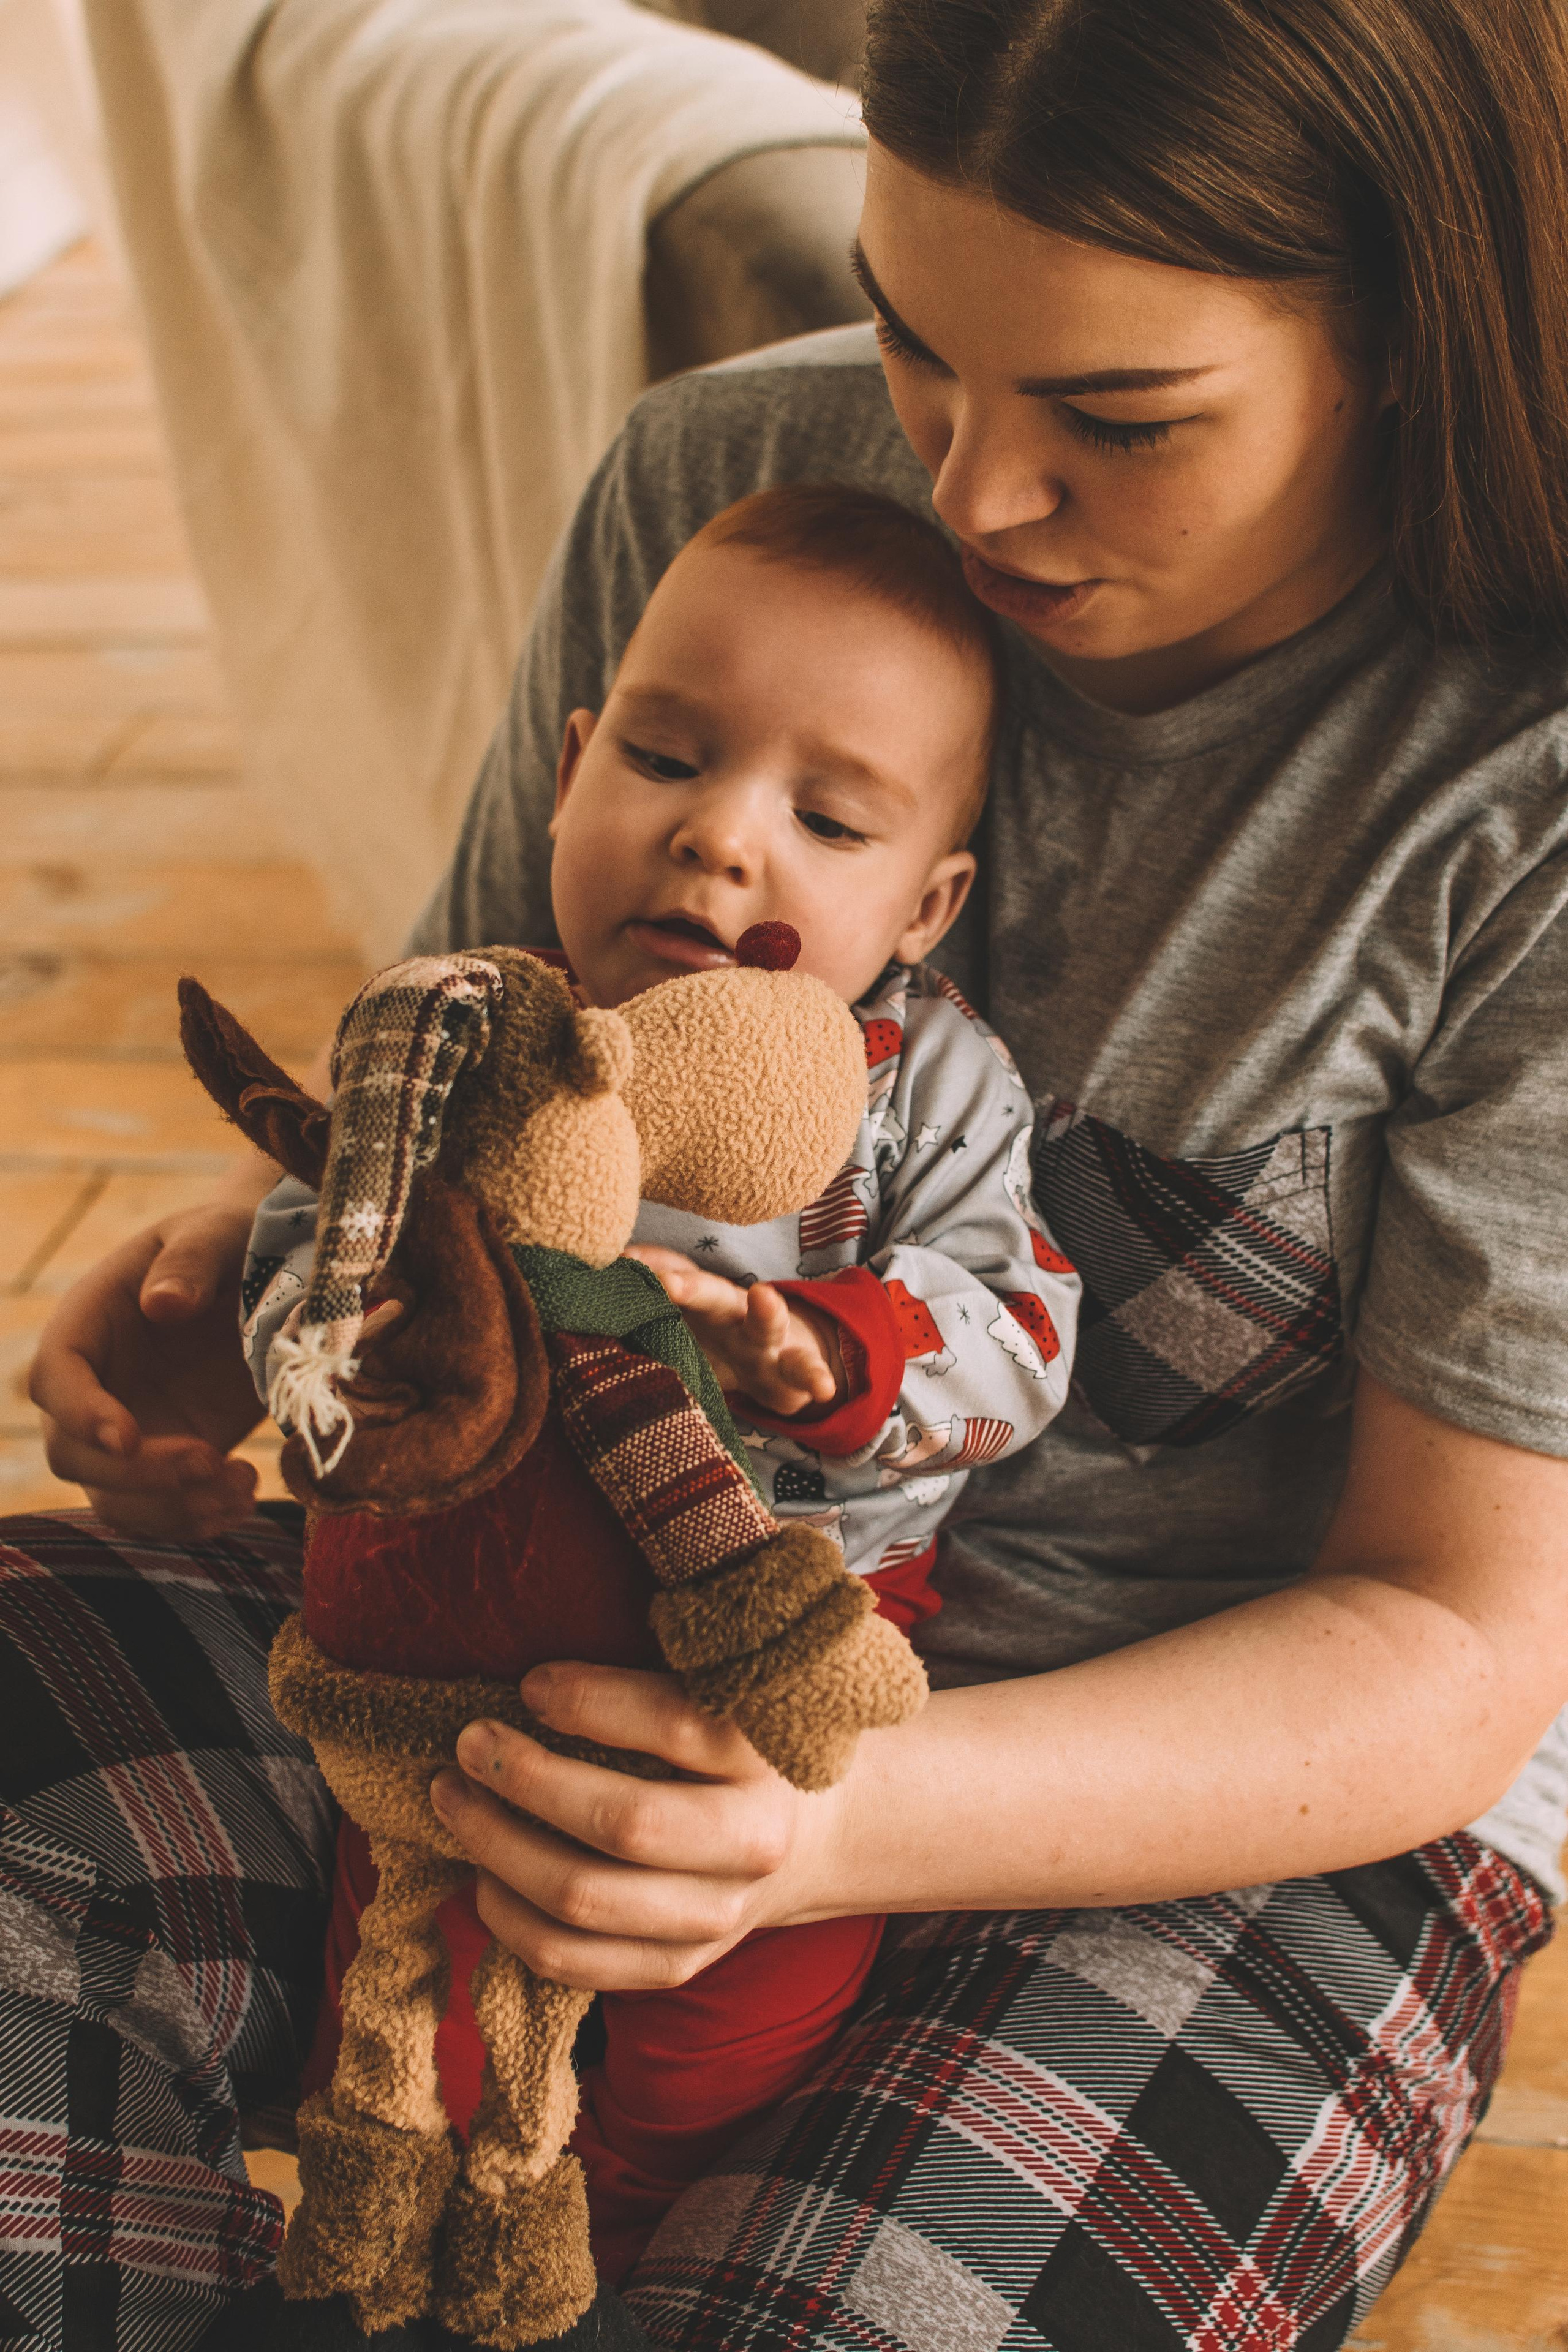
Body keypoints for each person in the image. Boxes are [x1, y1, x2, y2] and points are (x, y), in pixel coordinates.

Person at [15, 0, 1568, 2345]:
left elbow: (1455, 1645)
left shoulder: (1517, 773)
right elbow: (474, 1118)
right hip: (501, 1621)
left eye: (1118, 420)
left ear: (1416, 343)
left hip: (1211, 1786)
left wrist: (817, 1819)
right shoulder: (729, 482)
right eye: (919, 339)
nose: (970, 492)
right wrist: (282, 1284)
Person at [249, 482, 1079, 2291]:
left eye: (828, 815)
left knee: (734, 2015)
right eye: (665, 757)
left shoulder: (929, 1092)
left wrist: (833, 1352)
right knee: (400, 1956)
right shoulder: (473, 1027)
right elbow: (316, 1231)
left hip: (781, 1625)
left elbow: (1019, 1329)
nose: (715, 843)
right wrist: (328, 1358)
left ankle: (620, 2238)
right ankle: (374, 2225)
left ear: (929, 900)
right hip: (454, 1621)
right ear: (568, 767)